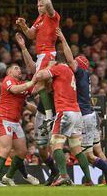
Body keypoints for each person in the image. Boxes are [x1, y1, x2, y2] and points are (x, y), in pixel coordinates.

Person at [57, 28, 107, 186]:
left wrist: (62, 39)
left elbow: (69, 58)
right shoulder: (86, 75)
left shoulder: (79, 73)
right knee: (99, 150)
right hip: (91, 115)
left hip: (84, 117)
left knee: (88, 155)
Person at [35, 53, 92, 186]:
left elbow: (39, 76)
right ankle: (89, 180)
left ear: (56, 61)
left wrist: (49, 66)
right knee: (76, 149)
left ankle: (63, 175)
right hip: (76, 113)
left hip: (65, 112)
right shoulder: (70, 72)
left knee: (56, 145)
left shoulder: (59, 68)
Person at [15, 32, 59, 185]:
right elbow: (32, 68)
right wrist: (23, 48)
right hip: (42, 114)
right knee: (41, 149)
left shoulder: (58, 71)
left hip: (59, 114)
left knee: (57, 145)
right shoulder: (42, 70)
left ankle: (63, 176)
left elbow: (36, 86)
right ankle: (55, 171)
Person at [16, 0, 60, 123]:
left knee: (38, 85)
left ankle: (23, 95)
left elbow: (49, 5)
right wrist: (23, 26)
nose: (40, 8)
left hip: (47, 53)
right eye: (38, 6)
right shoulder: (39, 19)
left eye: (42, 5)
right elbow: (30, 35)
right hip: (41, 54)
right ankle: (48, 116)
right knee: (43, 87)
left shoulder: (53, 16)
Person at [0, 64, 37, 187]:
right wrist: (31, 82)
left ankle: (8, 177)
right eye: (16, 68)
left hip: (16, 122)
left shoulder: (22, 84)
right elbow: (15, 90)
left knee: (22, 151)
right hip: (3, 119)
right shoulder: (8, 80)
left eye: (20, 68)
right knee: (5, 149)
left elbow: (35, 89)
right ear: (9, 72)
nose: (19, 70)